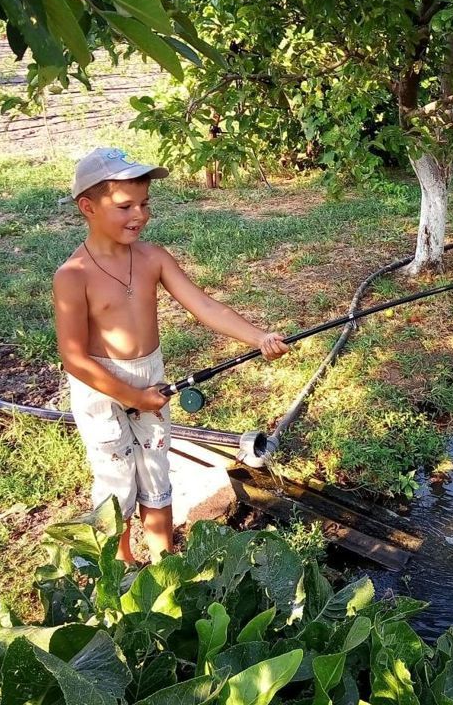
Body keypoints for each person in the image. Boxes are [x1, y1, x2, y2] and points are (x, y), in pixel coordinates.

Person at [53, 147, 290, 565]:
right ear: (87, 207)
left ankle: (164, 562)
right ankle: (121, 565)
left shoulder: (153, 257)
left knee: (156, 470)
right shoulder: (73, 276)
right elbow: (74, 359)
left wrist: (258, 337)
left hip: (150, 378)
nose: (139, 215)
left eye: (145, 204)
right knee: (116, 480)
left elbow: (206, 306)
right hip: (101, 387)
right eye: (125, 206)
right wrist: (132, 396)